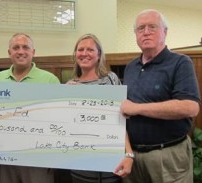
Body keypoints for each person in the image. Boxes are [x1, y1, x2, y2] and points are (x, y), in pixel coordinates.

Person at [121, 9, 200, 183]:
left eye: (152, 27)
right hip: (133, 157)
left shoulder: (180, 62)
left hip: (168, 157)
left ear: (165, 32)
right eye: (140, 28)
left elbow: (190, 107)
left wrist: (137, 108)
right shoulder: (130, 67)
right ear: (135, 34)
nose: (146, 32)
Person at [0, 33, 60, 183]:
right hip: (6, 157)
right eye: (16, 47)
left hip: (39, 158)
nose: (21, 51)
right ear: (9, 53)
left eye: (25, 47)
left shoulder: (50, 80)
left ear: (33, 52)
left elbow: (58, 120)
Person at [67, 33, 133, 183]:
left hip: (110, 166)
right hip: (80, 167)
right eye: (80, 49)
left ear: (99, 55)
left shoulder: (111, 79)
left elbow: (120, 121)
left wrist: (128, 153)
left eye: (90, 50)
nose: (84, 53)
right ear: (75, 55)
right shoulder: (70, 86)